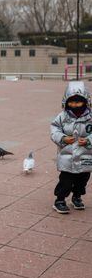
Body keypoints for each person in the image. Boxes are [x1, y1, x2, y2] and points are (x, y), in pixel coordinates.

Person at [50, 81, 92, 214]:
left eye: (78, 102)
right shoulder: (63, 116)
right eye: (71, 102)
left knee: (82, 180)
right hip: (67, 156)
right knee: (65, 180)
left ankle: (77, 196)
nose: (74, 105)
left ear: (85, 102)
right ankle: (60, 199)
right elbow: (54, 129)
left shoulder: (90, 117)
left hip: (85, 155)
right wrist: (62, 138)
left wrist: (88, 140)